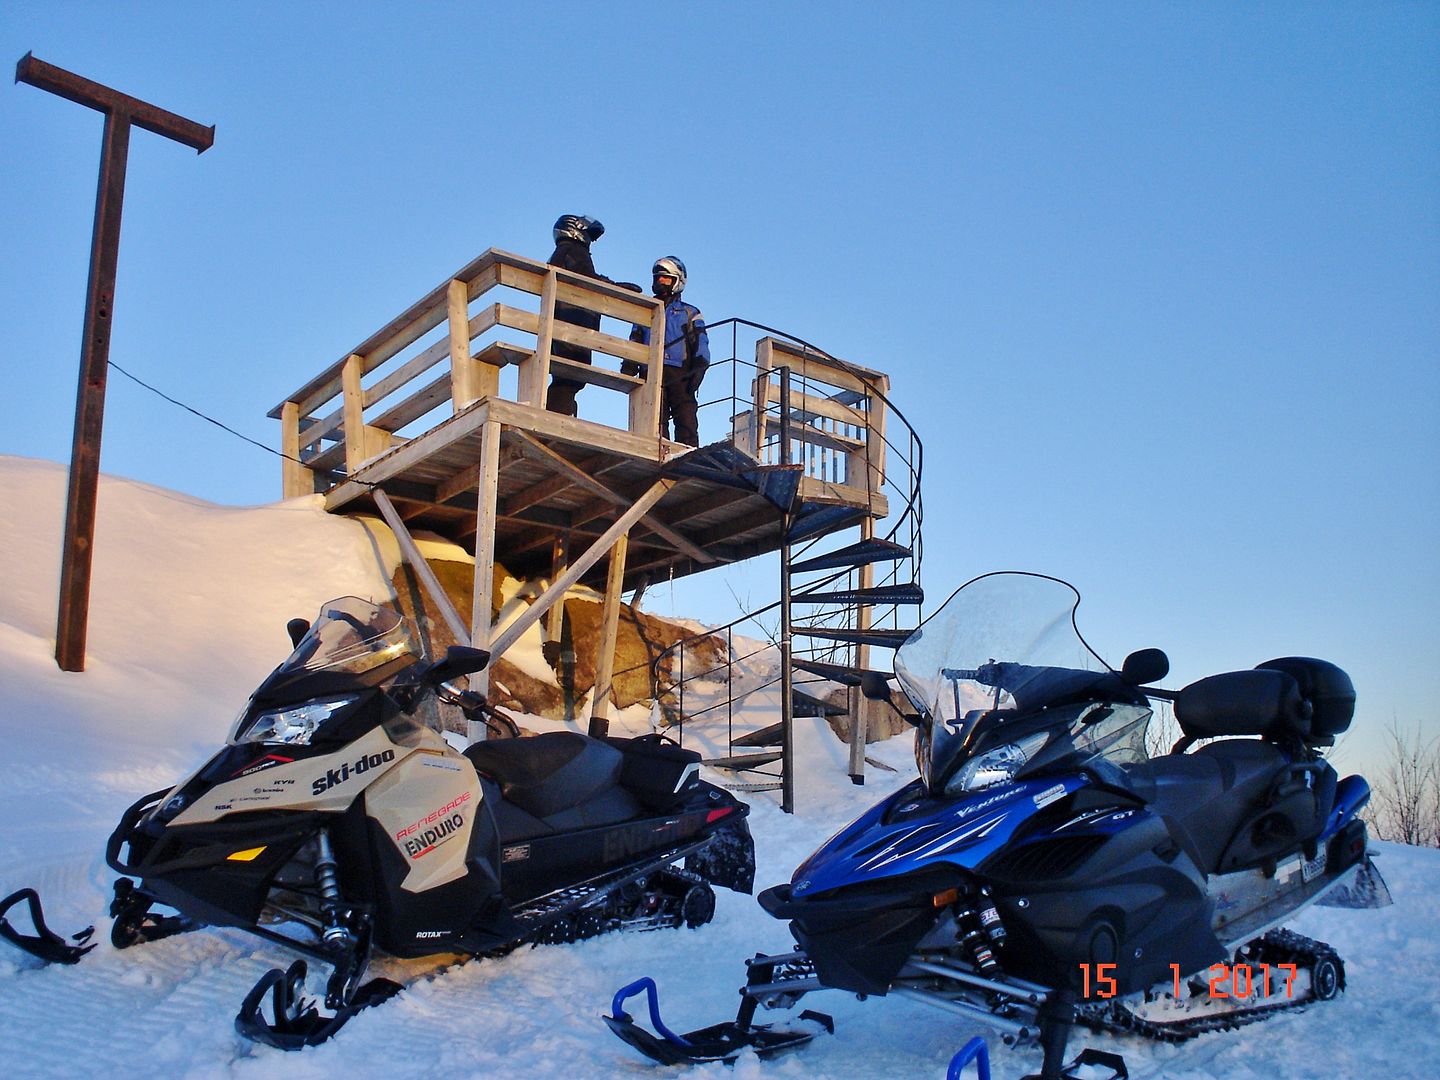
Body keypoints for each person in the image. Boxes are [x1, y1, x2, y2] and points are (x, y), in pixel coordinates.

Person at [627, 256, 710, 446]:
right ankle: (658, 446)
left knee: (685, 414)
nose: (660, 283)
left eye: (665, 279)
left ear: (677, 281)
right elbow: (635, 338)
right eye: (658, 279)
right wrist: (629, 365)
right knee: (656, 414)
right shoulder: (646, 308)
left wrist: (699, 366)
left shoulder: (689, 312)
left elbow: (701, 341)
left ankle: (688, 450)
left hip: (680, 370)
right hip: (650, 370)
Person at [545, 214, 609, 416]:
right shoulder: (572, 250)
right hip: (573, 321)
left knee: (568, 377)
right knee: (570, 375)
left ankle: (562, 414)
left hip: (568, 322)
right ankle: (558, 417)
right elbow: (586, 279)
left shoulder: (564, 252)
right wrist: (614, 286)